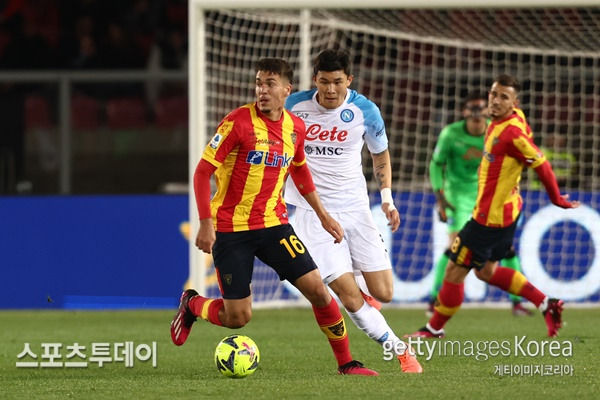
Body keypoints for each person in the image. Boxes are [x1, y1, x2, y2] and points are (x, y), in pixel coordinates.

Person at [170, 57, 378, 376]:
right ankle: (193, 304)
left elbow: (300, 171)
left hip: (274, 226)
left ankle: (347, 362)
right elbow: (202, 172)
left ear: (286, 89)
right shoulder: (237, 122)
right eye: (258, 83)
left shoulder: (295, 127)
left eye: (270, 84)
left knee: (320, 292)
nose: (262, 90)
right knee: (237, 318)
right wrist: (206, 223)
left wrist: (322, 215)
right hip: (231, 230)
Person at [406, 74, 580, 339]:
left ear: (514, 103)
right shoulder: (509, 118)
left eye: (503, 97)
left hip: (488, 219)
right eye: (493, 94)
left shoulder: (511, 133)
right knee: (486, 271)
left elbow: (541, 163)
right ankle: (546, 304)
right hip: (507, 212)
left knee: (454, 270)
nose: (495, 101)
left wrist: (556, 198)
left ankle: (434, 327)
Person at [283, 49, 422, 373]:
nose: (330, 90)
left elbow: (380, 156)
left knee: (383, 292)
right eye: (324, 82)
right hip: (311, 212)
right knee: (348, 296)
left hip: (356, 209)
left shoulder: (365, 111)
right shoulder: (294, 107)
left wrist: (387, 198)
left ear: (350, 80)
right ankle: (401, 351)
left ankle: (363, 293)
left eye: (337, 82)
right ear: (314, 79)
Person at [428, 92, 532, 317]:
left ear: (487, 110)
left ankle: (517, 303)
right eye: (471, 109)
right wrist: (441, 197)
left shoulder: (496, 131)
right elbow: (436, 165)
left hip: (489, 198)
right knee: (455, 248)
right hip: (458, 198)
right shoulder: (450, 134)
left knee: (506, 249)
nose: (476, 114)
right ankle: (435, 299)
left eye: (481, 108)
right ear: (464, 112)